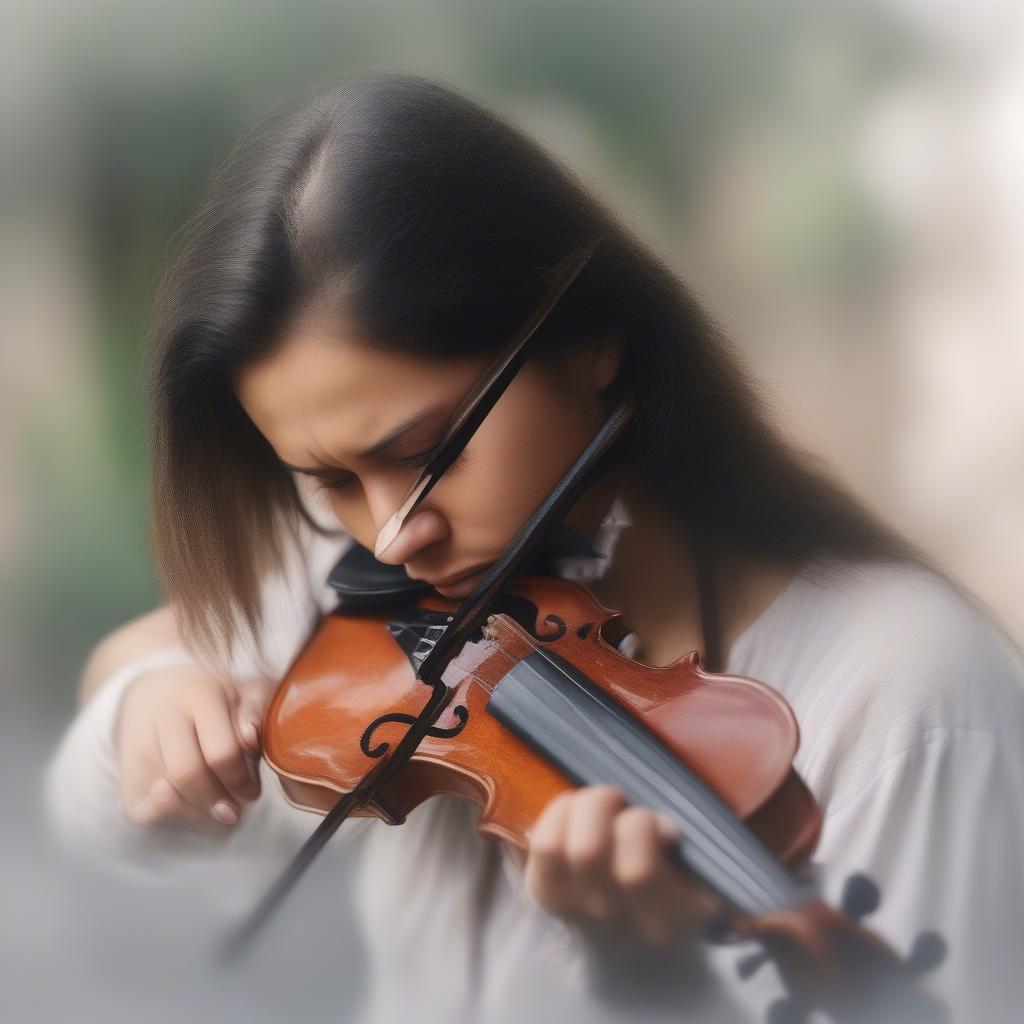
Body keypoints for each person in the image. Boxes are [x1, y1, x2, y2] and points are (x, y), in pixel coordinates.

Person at [44, 71, 1024, 1024]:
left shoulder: (908, 698)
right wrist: (146, 714)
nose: (392, 532)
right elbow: (126, 715)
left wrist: (651, 984)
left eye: (429, 450)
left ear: (588, 333)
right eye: (331, 480)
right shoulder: (371, 598)